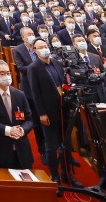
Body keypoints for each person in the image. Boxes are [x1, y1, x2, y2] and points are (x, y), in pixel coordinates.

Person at [0, 59, 35, 170]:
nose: (6, 76)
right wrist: (8, 130)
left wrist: (22, 130)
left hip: (22, 147)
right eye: (2, 73)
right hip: (1, 148)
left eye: (8, 73)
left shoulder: (20, 94)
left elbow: (29, 120)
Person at [28, 39, 65, 177]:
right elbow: (35, 93)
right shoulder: (33, 68)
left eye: (45, 46)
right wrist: (41, 113)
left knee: (64, 142)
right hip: (47, 110)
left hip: (62, 107)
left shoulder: (57, 63)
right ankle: (54, 175)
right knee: (51, 145)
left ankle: (66, 172)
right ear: (35, 51)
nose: (44, 49)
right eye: (40, 47)